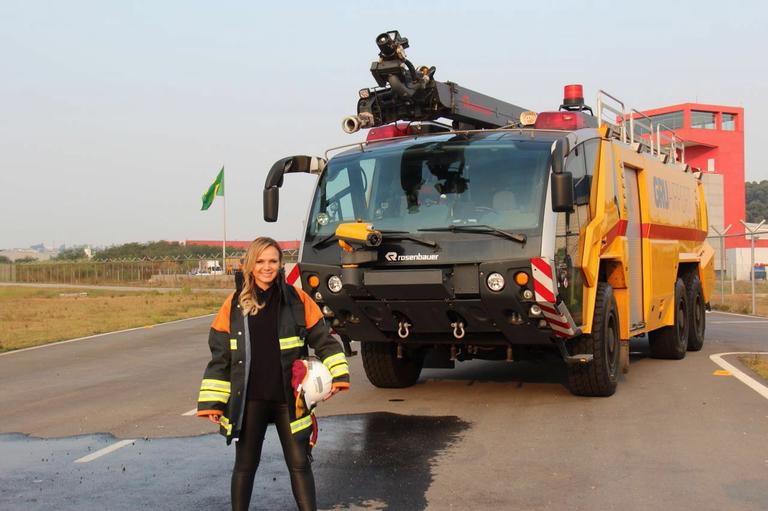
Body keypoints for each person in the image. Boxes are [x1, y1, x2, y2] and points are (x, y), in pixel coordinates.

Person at [196, 237, 350, 511]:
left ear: (280, 264)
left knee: (300, 464)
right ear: (250, 266)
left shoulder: (297, 300)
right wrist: (213, 402)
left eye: (273, 261)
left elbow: (323, 340)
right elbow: (221, 356)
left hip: (289, 401)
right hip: (250, 400)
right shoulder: (233, 305)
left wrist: (338, 375)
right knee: (245, 466)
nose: (267, 267)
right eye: (261, 261)